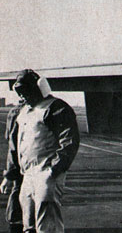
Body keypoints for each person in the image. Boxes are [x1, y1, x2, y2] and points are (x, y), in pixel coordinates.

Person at [0, 69, 79, 233]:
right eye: (20, 92)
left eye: (26, 91)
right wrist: (9, 176)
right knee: (28, 225)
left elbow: (69, 141)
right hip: (27, 175)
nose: (23, 96)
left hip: (46, 174)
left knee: (48, 226)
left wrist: (53, 170)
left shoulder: (56, 108)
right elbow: (15, 147)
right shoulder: (23, 112)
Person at [1, 101, 25, 233]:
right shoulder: (19, 112)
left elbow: (10, 142)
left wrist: (9, 175)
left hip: (21, 163)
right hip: (29, 163)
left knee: (17, 190)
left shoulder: (15, 112)